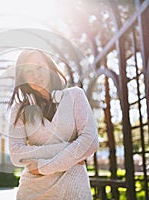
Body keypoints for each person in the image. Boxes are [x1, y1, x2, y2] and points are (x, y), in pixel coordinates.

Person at [8, 49, 99, 200]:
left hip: (73, 189)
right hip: (33, 192)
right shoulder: (20, 109)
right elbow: (16, 154)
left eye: (39, 67)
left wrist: (43, 167)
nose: (36, 75)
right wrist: (70, 147)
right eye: (29, 71)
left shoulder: (75, 95)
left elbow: (90, 142)